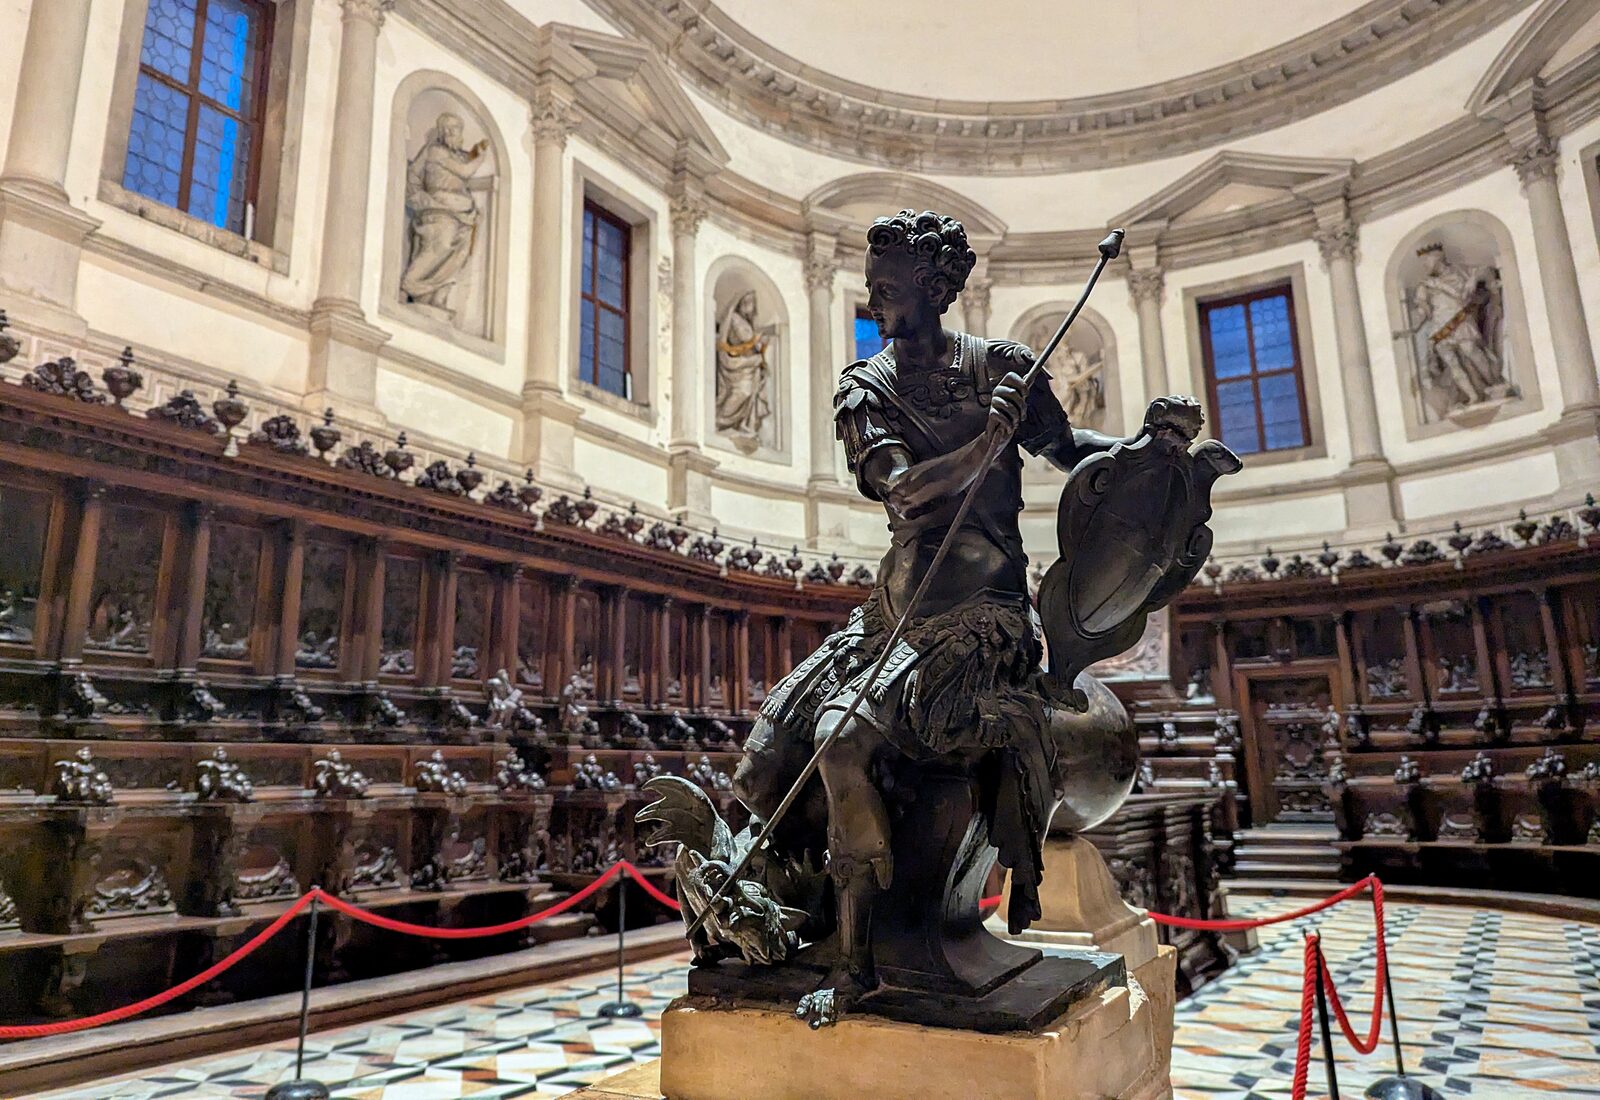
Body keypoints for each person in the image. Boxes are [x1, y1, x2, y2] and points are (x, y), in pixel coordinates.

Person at [733, 210, 1127, 1026]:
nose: (878, 297)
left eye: (892, 285)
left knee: (844, 740)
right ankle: (792, 919)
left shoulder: (1003, 367)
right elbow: (903, 488)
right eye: (873, 284)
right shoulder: (863, 386)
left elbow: (1065, 448)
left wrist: (1142, 457)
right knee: (763, 765)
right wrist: (988, 442)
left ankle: (857, 961)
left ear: (938, 288)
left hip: (983, 618)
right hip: (892, 615)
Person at [400, 113, 489, 318]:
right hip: (439, 210)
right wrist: (481, 158)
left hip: (463, 214)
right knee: (440, 246)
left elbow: (464, 168)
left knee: (458, 256)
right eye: (446, 128)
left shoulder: (458, 155)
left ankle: (439, 299)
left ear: (460, 132)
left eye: (455, 128)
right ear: (440, 132)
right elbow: (465, 172)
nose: (450, 132)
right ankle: (409, 285)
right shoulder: (436, 151)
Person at [714, 290, 772, 440]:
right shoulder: (734, 319)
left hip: (752, 365)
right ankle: (722, 420)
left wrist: (761, 345)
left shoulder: (749, 323)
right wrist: (756, 340)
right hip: (738, 364)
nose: (749, 305)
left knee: (751, 394)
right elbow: (742, 340)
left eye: (752, 301)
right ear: (739, 302)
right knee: (743, 392)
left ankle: (746, 424)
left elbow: (754, 345)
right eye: (746, 301)